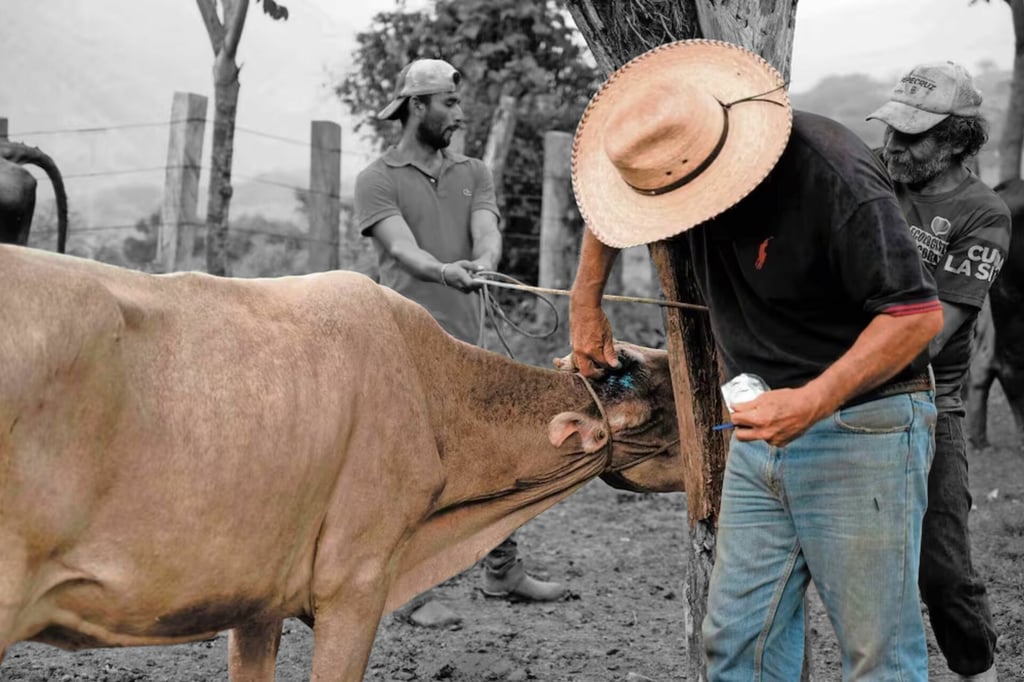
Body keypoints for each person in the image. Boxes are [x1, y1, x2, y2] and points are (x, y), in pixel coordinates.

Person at [566, 40, 943, 679]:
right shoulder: (670, 153)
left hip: (863, 424)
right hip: (759, 426)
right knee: (739, 643)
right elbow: (608, 207)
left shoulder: (834, 175)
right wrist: (585, 299)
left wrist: (813, 400)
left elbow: (915, 318)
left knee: (877, 653)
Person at [353, 58, 566, 605]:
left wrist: (485, 262)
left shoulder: (473, 172)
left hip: (468, 342)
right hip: (404, 345)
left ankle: (503, 570)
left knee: (492, 449)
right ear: (417, 106)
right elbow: (401, 249)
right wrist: (446, 270)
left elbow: (486, 231)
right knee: (407, 465)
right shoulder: (377, 179)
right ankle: (408, 594)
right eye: (449, 103)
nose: (458, 113)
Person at [867, 61, 1010, 682]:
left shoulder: (984, 213)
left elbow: (930, 337)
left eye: (912, 136)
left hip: (931, 400)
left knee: (944, 572)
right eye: (891, 131)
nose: (893, 146)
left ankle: (977, 670)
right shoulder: (869, 172)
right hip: (843, 389)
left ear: (955, 140)